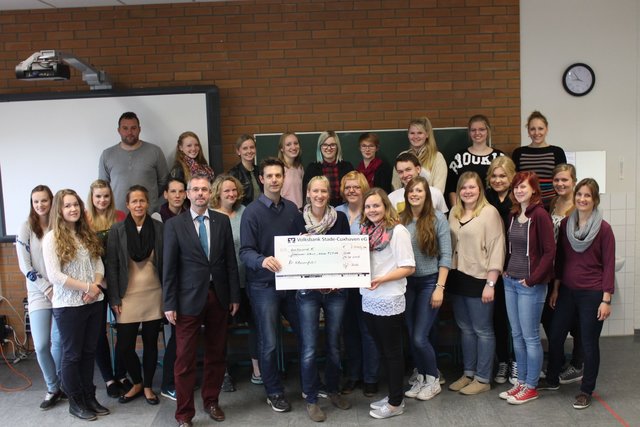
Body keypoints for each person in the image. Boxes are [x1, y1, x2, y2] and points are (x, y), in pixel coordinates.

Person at [163, 173, 241, 425]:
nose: (200, 194)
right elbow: (169, 268)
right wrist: (169, 303)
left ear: (211, 194)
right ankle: (184, 414)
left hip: (218, 297)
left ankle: (211, 401)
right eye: (195, 189)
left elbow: (230, 262)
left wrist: (234, 296)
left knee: (217, 354)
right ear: (187, 194)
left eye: (204, 190)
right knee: (184, 359)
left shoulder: (221, 221)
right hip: (187, 300)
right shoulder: (175, 225)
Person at [540, 178, 615, 410]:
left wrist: (606, 299)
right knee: (555, 334)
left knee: (589, 343)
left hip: (592, 294)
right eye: (579, 195)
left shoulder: (604, 229)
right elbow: (561, 260)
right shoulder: (566, 225)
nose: (582, 199)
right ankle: (552, 380)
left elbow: (609, 266)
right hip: (567, 291)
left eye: (587, 196)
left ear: (595, 200)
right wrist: (556, 288)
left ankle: (586, 390)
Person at [239, 157, 305, 413]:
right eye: (270, 176)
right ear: (261, 179)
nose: (275, 180)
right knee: (269, 342)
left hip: (291, 285)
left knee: (305, 333)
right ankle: (274, 391)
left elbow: (298, 243)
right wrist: (262, 259)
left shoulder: (292, 209)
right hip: (264, 287)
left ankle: (308, 384)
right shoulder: (251, 212)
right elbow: (245, 251)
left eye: (279, 175)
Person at [42, 189, 110, 421]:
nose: (73, 209)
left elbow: (98, 264)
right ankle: (76, 401)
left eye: (76, 205)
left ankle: (89, 397)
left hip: (93, 301)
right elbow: (55, 276)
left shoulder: (86, 233)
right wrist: (86, 287)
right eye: (67, 206)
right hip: (68, 305)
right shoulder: (52, 238)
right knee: (72, 355)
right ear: (59, 211)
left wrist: (96, 287)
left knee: (89, 352)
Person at [293, 176, 352, 422]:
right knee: (308, 348)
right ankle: (311, 399)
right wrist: (299, 244)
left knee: (334, 345)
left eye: (323, 191)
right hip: (307, 292)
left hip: (336, 292)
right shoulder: (296, 218)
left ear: (329, 194)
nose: (319, 195)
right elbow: (289, 254)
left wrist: (343, 277)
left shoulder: (339, 218)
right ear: (308, 193)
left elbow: (349, 251)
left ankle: (333, 389)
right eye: (315, 191)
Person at [499, 172, 555, 404]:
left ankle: (531, 385)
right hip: (511, 282)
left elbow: (550, 252)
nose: (519, 190)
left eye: (523, 187)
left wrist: (532, 279)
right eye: (516, 187)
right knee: (517, 335)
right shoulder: (513, 215)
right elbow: (512, 248)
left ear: (534, 189)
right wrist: (505, 270)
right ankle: (520, 382)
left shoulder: (540, 215)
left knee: (531, 337)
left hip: (530, 286)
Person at [360, 188, 415, 419]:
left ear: (385, 207)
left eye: (376, 205)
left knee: (392, 353)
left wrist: (381, 279)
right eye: (368, 206)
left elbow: (409, 267)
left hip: (389, 297)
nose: (372, 210)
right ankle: (394, 394)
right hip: (370, 298)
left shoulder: (398, 231)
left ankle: (395, 404)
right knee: (382, 350)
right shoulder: (366, 231)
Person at [447, 172, 505, 395]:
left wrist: (491, 283)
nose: (467, 192)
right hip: (457, 277)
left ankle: (483, 378)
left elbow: (497, 248)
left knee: (482, 329)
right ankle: (468, 373)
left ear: (480, 189)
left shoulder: (489, 213)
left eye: (472, 187)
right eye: (463, 188)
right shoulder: (454, 212)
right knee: (465, 329)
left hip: (480, 279)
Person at [106, 185, 164, 406]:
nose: (138, 205)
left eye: (142, 201)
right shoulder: (117, 230)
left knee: (151, 344)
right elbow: (111, 266)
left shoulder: (159, 228)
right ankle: (137, 382)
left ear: (147, 203)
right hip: (127, 296)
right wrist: (114, 299)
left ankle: (148, 386)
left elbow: (166, 262)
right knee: (124, 346)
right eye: (134, 201)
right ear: (127, 205)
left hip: (154, 294)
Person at [400, 177, 451, 401]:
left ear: (426, 194)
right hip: (407, 284)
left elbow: (446, 256)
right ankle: (421, 375)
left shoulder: (438, 218)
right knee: (412, 336)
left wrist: (439, 287)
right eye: (411, 191)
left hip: (430, 283)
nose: (415, 194)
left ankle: (433, 380)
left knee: (421, 337)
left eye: (419, 190)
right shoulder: (402, 219)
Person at [210, 174, 262, 388]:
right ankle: (223, 374)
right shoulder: (210, 215)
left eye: (234, 190)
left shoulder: (246, 212)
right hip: (222, 284)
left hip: (248, 279)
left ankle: (258, 370)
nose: (231, 194)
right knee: (220, 330)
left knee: (255, 326)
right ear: (218, 194)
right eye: (226, 191)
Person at [16, 185, 63, 410]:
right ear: (32, 203)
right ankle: (52, 386)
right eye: (36, 201)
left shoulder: (59, 225)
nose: (40, 205)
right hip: (39, 293)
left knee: (60, 342)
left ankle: (58, 386)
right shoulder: (26, 228)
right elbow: (25, 266)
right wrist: (46, 288)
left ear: (51, 201)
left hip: (62, 291)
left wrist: (58, 287)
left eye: (44, 200)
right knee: (42, 345)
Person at [335, 172, 380, 397]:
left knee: (368, 330)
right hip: (343, 283)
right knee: (349, 330)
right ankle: (353, 375)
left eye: (356, 187)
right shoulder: (336, 213)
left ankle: (371, 378)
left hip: (369, 281)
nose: (352, 191)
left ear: (364, 188)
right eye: (348, 187)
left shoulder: (372, 211)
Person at [85, 179, 129, 398]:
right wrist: (100, 280)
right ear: (92, 198)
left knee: (124, 328)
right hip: (95, 285)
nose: (102, 200)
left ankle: (121, 374)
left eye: (106, 196)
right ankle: (109, 379)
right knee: (98, 334)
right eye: (98, 196)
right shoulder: (84, 220)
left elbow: (126, 251)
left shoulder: (120, 217)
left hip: (118, 282)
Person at [546, 164, 584, 384]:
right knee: (551, 319)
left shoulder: (578, 207)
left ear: (574, 181)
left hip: (571, 272)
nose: (560, 184)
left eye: (565, 180)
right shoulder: (553, 203)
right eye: (557, 180)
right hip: (553, 271)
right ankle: (557, 362)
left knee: (576, 323)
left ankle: (578, 364)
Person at [150, 177, 188, 400]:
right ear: (165, 194)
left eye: (181, 191)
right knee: (174, 336)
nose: (177, 195)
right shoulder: (158, 218)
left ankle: (179, 380)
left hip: (188, 282)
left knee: (181, 335)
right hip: (168, 281)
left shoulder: (189, 214)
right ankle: (168, 383)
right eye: (173, 191)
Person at [484, 156, 517, 385]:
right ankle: (503, 361)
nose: (498, 180)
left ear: (512, 177)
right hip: (492, 267)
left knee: (516, 319)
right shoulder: (485, 199)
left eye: (503, 175)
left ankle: (517, 362)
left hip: (515, 267)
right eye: (494, 176)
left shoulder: (519, 197)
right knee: (497, 317)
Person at [98, 111, 169, 212]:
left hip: (149, 215)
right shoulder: (107, 155)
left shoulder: (155, 151)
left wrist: (151, 202)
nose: (130, 132)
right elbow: (103, 187)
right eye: (125, 128)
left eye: (133, 128)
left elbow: (164, 182)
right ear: (119, 130)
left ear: (139, 129)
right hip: (118, 216)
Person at [512, 111, 567, 208]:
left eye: (540, 128)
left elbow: (562, 181)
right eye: (532, 129)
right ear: (528, 131)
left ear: (547, 129)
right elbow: (515, 181)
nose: (537, 133)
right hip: (526, 205)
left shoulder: (557, 152)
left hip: (551, 205)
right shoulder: (518, 153)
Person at [447, 114, 505, 205]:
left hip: (494, 208)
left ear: (488, 131)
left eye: (481, 129)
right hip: (465, 209)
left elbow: (507, 185)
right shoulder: (459, 157)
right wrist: (457, 210)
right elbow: (451, 187)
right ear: (469, 133)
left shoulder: (499, 156)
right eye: (473, 130)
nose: (477, 133)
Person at [391, 117, 447, 193]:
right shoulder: (402, 156)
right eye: (412, 133)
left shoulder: (437, 157)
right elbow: (395, 187)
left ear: (427, 134)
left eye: (420, 133)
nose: (415, 137)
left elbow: (439, 190)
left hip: (430, 203)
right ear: (408, 135)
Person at [303, 131, 354, 207]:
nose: (329, 148)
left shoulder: (347, 167)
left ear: (337, 147)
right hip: (320, 209)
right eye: (325, 145)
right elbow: (307, 194)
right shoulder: (312, 168)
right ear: (320, 147)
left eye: (332, 145)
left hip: (343, 209)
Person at [229, 134, 262, 206]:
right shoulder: (233, 174)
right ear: (238, 151)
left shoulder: (260, 170)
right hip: (243, 213)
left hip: (261, 212)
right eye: (245, 148)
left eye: (252, 147)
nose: (249, 151)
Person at [278, 131, 304, 209]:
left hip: (299, 212)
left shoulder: (300, 168)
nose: (293, 147)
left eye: (296, 143)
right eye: (288, 144)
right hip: (284, 212)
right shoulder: (278, 168)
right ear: (282, 149)